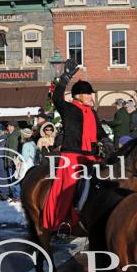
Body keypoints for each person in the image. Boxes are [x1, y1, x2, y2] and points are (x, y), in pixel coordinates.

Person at [42, 59, 106, 233]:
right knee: (68, 189)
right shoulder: (68, 109)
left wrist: (107, 142)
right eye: (88, 94)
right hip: (72, 156)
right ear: (78, 95)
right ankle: (62, 220)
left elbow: (100, 131)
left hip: (91, 155)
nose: (91, 96)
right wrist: (66, 76)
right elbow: (56, 97)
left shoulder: (92, 112)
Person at [5, 121, 21, 202]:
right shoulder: (11, 135)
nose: (8, 128)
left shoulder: (14, 136)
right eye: (8, 126)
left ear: (14, 127)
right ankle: (16, 196)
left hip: (13, 161)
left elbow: (12, 150)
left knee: (14, 179)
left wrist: (9, 162)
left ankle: (17, 196)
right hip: (12, 160)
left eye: (10, 126)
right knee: (13, 179)